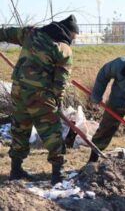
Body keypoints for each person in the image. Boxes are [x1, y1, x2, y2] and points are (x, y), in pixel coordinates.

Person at [0, 15, 79, 185]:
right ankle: (57, 175)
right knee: (52, 132)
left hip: (18, 90)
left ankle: (15, 170)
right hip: (41, 95)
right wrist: (57, 102)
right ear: (69, 32)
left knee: (20, 128)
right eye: (75, 36)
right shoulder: (63, 49)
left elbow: (7, 33)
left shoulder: (31, 33)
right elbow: (61, 81)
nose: (74, 39)